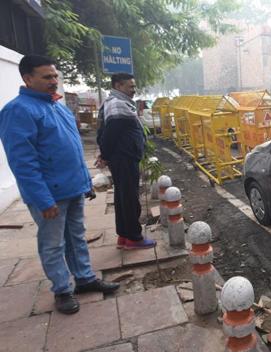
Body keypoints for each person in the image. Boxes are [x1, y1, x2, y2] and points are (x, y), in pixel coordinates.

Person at [0, 55, 119, 314]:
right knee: (53, 244)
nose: (54, 81)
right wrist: (43, 200)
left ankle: (85, 279)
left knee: (76, 237)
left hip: (73, 188)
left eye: (55, 76)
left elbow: (74, 150)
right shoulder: (18, 111)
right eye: (47, 77)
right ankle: (62, 290)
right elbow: (23, 162)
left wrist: (85, 182)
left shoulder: (58, 107)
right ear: (28, 79)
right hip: (49, 195)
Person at [97, 73, 156, 250]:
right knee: (129, 198)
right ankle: (134, 238)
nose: (134, 90)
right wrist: (105, 155)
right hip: (124, 158)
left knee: (122, 197)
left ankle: (123, 235)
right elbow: (110, 134)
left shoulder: (117, 103)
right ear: (119, 85)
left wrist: (105, 154)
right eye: (130, 86)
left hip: (122, 157)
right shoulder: (117, 104)